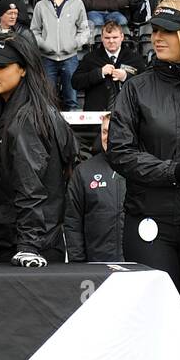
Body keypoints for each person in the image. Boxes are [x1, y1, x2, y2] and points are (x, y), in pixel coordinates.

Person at [108, 0, 180, 324]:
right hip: (149, 223)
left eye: (169, 31)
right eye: (156, 30)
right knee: (157, 322)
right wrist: (171, 171)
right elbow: (119, 152)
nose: (158, 37)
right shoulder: (136, 89)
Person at [0, 33, 77, 265]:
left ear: (23, 69)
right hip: (22, 245)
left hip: (29, 252)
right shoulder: (19, 112)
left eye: (0, 65)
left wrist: (28, 248)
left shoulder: (27, 118)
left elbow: (31, 189)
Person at [65, 112, 126, 262]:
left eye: (114, 131)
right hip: (96, 265)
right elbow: (73, 221)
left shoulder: (140, 168)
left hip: (135, 265)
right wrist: (78, 264)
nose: (108, 137)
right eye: (105, 131)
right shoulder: (84, 171)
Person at [30, 0, 91, 111]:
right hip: (47, 58)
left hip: (70, 57)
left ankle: (72, 132)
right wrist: (43, 44)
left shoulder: (77, 4)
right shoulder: (40, 5)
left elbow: (85, 30)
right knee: (47, 100)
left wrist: (73, 44)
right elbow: (34, 31)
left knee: (72, 100)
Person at [73, 20, 145, 112]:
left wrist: (126, 77)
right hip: (96, 115)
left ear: (122, 37)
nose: (111, 41)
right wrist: (99, 73)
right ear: (102, 38)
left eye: (115, 37)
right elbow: (75, 82)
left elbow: (144, 84)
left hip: (126, 114)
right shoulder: (90, 58)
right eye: (107, 38)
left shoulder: (134, 58)